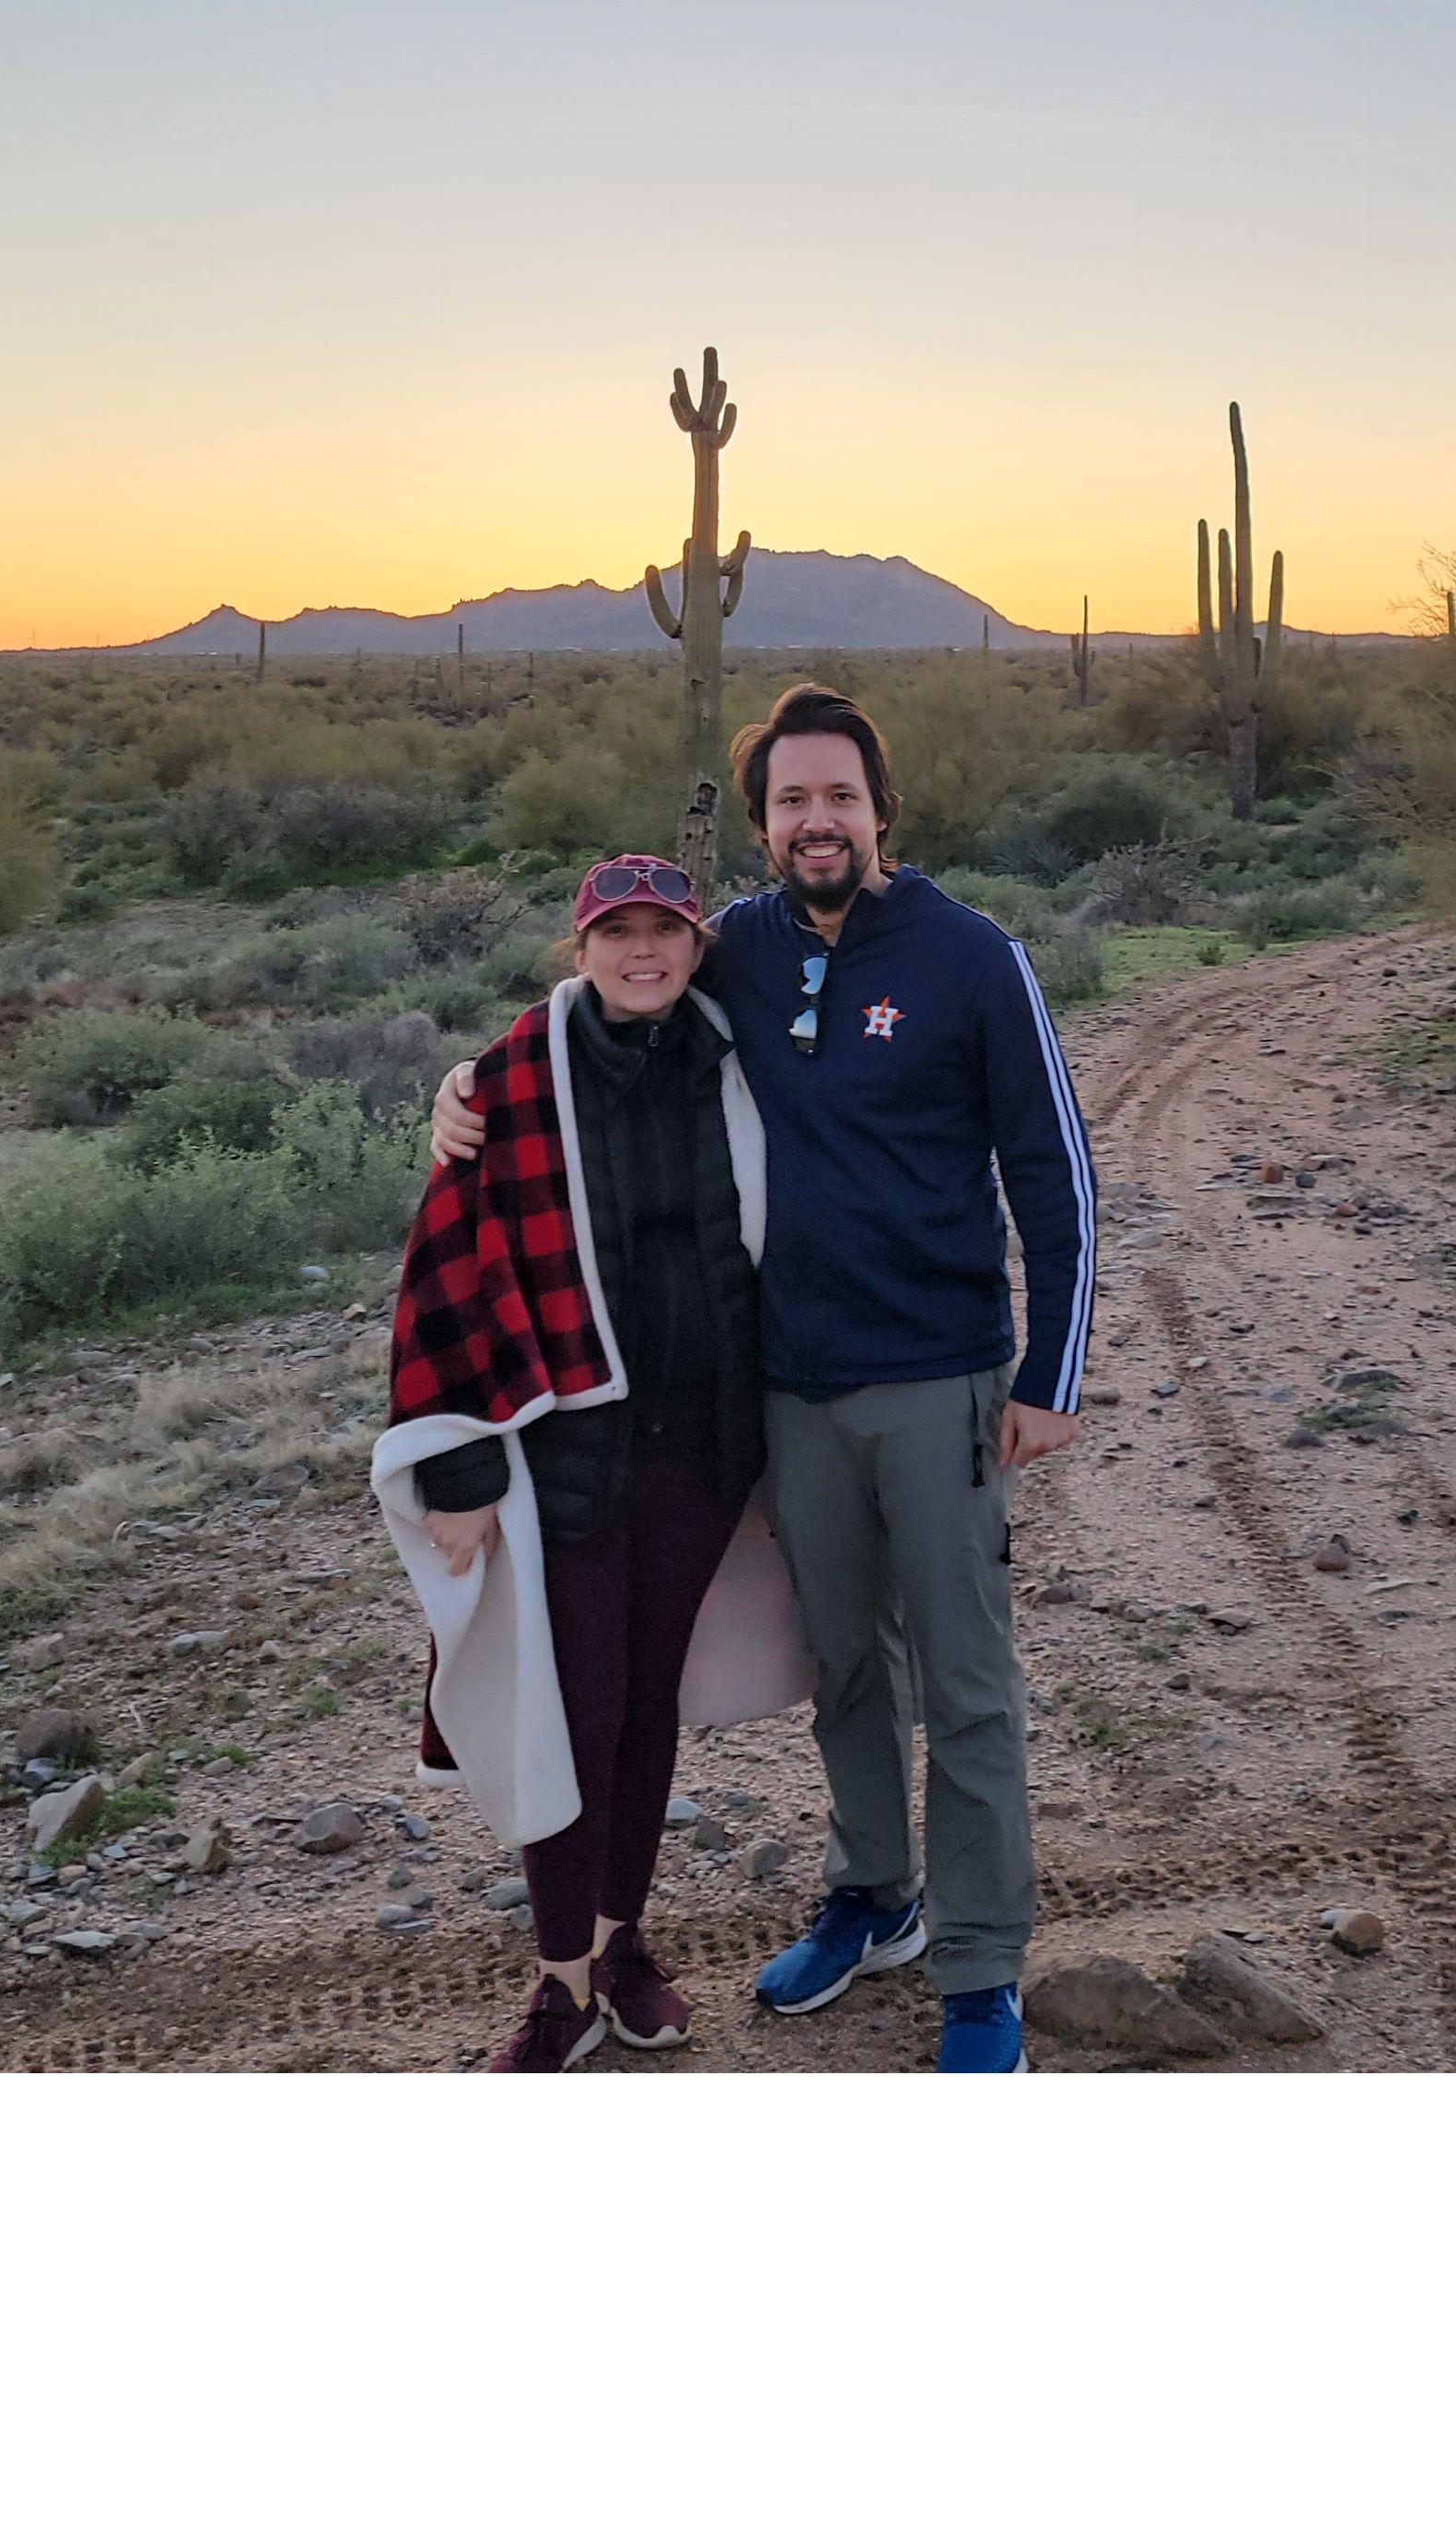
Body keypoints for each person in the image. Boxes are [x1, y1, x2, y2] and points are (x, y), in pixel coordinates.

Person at [433, 682, 1095, 2073]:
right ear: (761, 824)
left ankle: (981, 1971)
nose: (817, 821)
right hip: (791, 1388)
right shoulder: (732, 946)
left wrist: (1051, 1370)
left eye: (839, 797)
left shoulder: (977, 958)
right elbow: (614, 998)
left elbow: (1055, 1178)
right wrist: (472, 1081)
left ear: (880, 809)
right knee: (847, 1662)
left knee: (966, 1679)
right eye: (791, 801)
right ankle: (877, 1896)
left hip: (940, 1376)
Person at [375, 852, 799, 2074]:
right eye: (617, 933)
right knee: (574, 1709)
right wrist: (451, 1470)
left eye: (665, 928)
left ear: (694, 943)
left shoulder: (739, 1057)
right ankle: (559, 1983)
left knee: (647, 1705)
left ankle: (623, 1949)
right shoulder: (512, 1078)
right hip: (567, 1455)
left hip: (706, 1449)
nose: (643, 951)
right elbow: (440, 1272)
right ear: (582, 950)